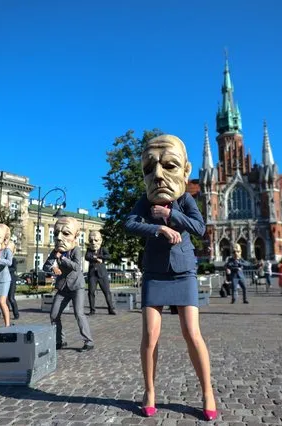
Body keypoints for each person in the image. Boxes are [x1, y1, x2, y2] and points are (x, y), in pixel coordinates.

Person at [124, 134, 217, 421]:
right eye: (149, 169)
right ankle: (149, 391)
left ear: (186, 170)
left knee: (192, 333)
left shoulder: (186, 198)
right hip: (154, 272)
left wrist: (170, 216)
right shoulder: (144, 201)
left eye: (169, 166)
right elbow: (128, 223)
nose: (158, 175)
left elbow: (200, 228)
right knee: (150, 336)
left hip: (183, 272)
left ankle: (207, 392)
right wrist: (158, 229)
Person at [44, 216, 94, 352]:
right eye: (56, 234)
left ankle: (88, 341)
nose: (59, 238)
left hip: (77, 286)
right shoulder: (55, 251)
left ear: (75, 236)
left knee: (79, 313)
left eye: (65, 233)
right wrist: (52, 267)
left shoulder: (76, 250)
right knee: (54, 315)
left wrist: (63, 258)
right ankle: (60, 340)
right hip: (62, 287)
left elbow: (77, 267)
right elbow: (45, 267)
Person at [85, 230, 116, 315]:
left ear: (101, 241)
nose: (93, 243)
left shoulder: (103, 249)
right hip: (92, 275)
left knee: (107, 292)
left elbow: (108, 256)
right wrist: (96, 259)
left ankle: (111, 309)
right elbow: (87, 257)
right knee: (91, 292)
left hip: (102, 274)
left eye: (96, 240)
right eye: (91, 241)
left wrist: (98, 256)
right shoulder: (89, 250)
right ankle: (92, 310)